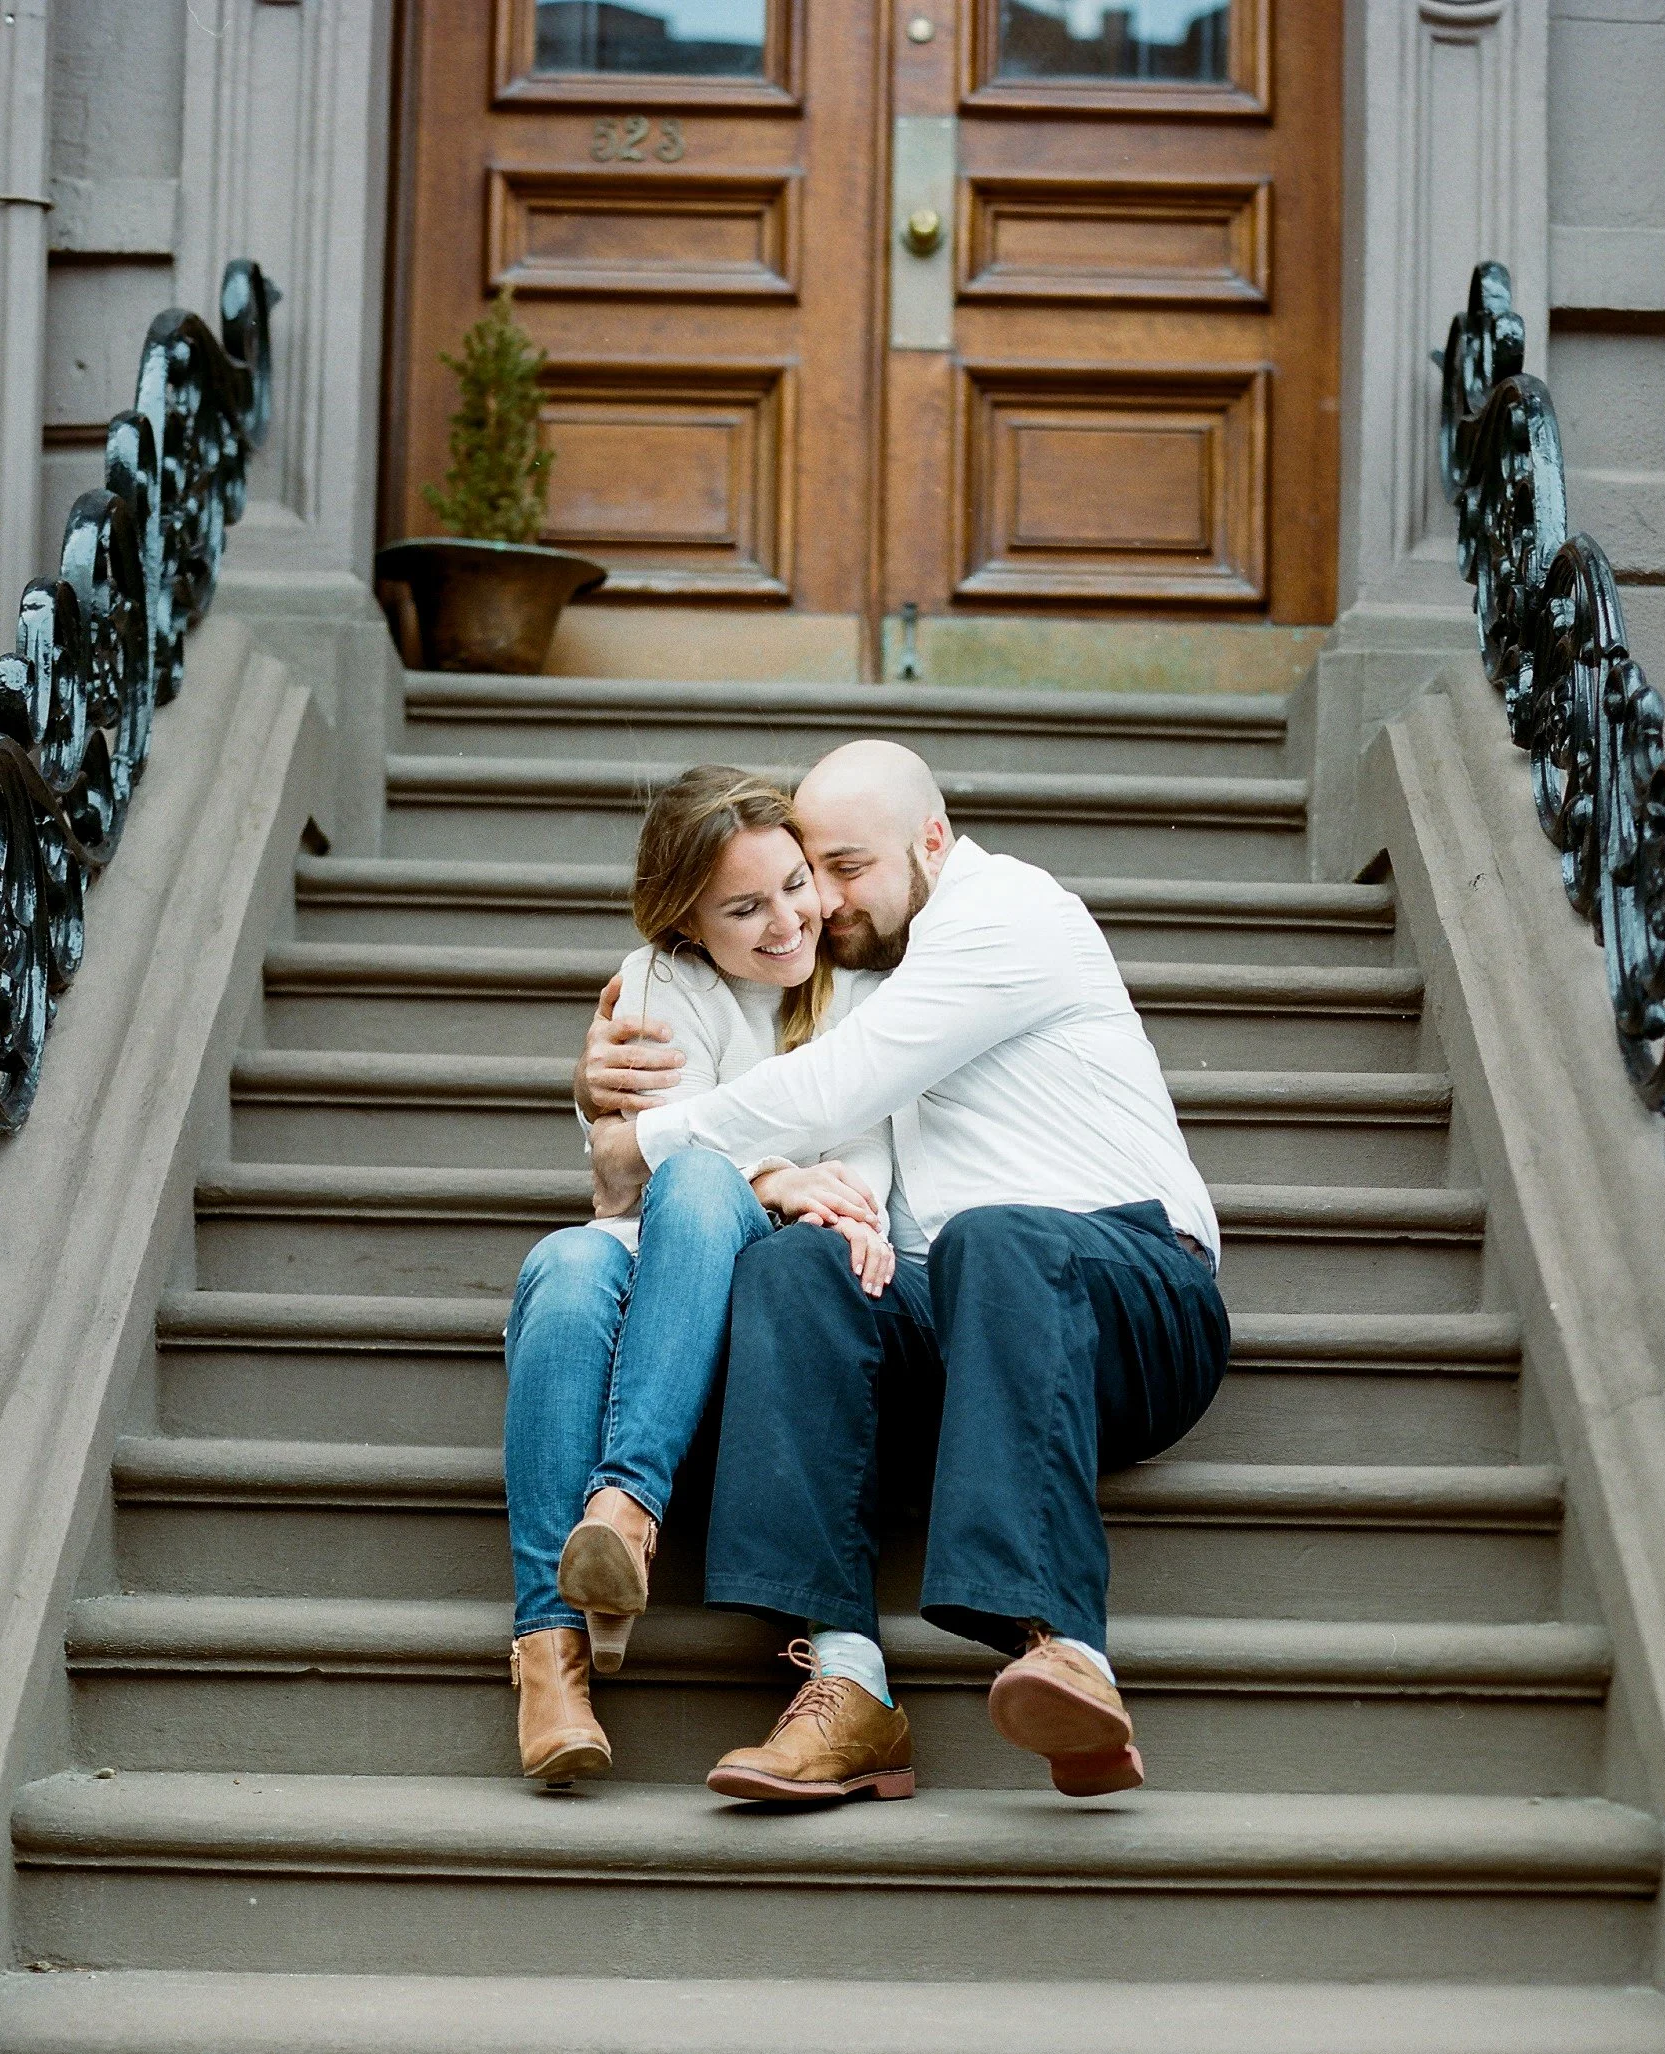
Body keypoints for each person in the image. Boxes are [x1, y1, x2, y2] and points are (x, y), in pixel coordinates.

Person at [581, 738, 1229, 1803]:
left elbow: (835, 1086)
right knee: (796, 1268)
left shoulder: (1006, 916)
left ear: (931, 841)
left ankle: (1065, 1648)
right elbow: (713, 993)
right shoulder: (858, 966)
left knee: (994, 1235)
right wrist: (601, 1080)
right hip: (968, 1332)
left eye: (844, 869)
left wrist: (639, 1143)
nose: (820, 905)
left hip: (1134, 1301)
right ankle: (845, 1686)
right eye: (808, 873)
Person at [506, 765, 894, 1788]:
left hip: (772, 1308)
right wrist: (771, 1170)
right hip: (648, 1285)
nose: (786, 921)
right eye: (742, 906)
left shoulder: (864, 993)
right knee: (568, 1258)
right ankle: (551, 1660)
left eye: (795, 884)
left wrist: (745, 1173)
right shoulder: (652, 984)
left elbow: (846, 1182)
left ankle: (627, 1507)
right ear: (684, 918)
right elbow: (629, 1155)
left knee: (695, 1183)